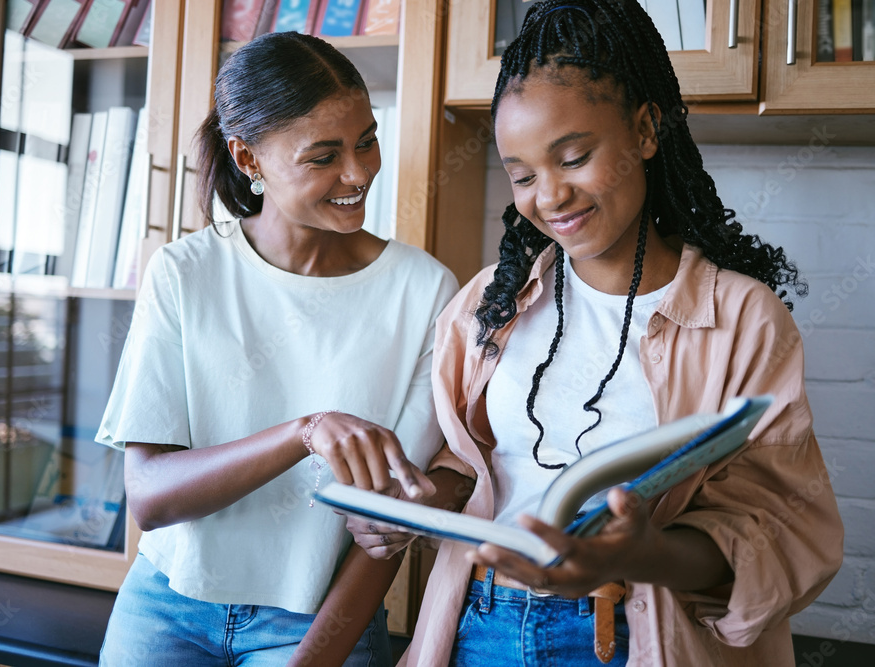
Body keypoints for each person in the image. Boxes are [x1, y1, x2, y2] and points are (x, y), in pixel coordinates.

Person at [347, 1, 843, 665]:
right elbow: (470, 469)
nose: (548, 195)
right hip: (481, 627)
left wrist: (647, 551)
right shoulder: (489, 304)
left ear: (644, 130)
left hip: (635, 635)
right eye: (522, 175)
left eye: (573, 157)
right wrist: (405, 506)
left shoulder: (743, 319)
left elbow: (785, 530)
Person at [95, 31, 458, 666]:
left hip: (317, 616)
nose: (358, 173)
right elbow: (150, 496)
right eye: (323, 156)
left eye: (366, 141)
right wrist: (304, 432)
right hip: (164, 608)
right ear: (248, 158)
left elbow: (385, 532)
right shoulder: (185, 272)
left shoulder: (424, 291)